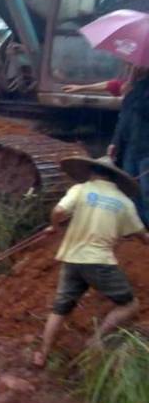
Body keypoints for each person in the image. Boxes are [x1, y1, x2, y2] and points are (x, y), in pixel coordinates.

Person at [33, 156, 149, 368]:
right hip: (99, 261)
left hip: (72, 258)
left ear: (93, 172)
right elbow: (142, 235)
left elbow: (59, 211)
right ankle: (94, 342)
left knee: (61, 308)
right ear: (114, 177)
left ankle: (43, 353)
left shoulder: (81, 189)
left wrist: (54, 226)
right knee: (129, 304)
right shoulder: (124, 202)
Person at [63, 66, 149, 226]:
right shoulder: (131, 87)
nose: (133, 69)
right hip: (130, 147)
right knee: (131, 187)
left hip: (146, 150)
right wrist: (115, 142)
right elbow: (123, 115)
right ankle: (138, 225)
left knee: (146, 190)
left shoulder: (139, 91)